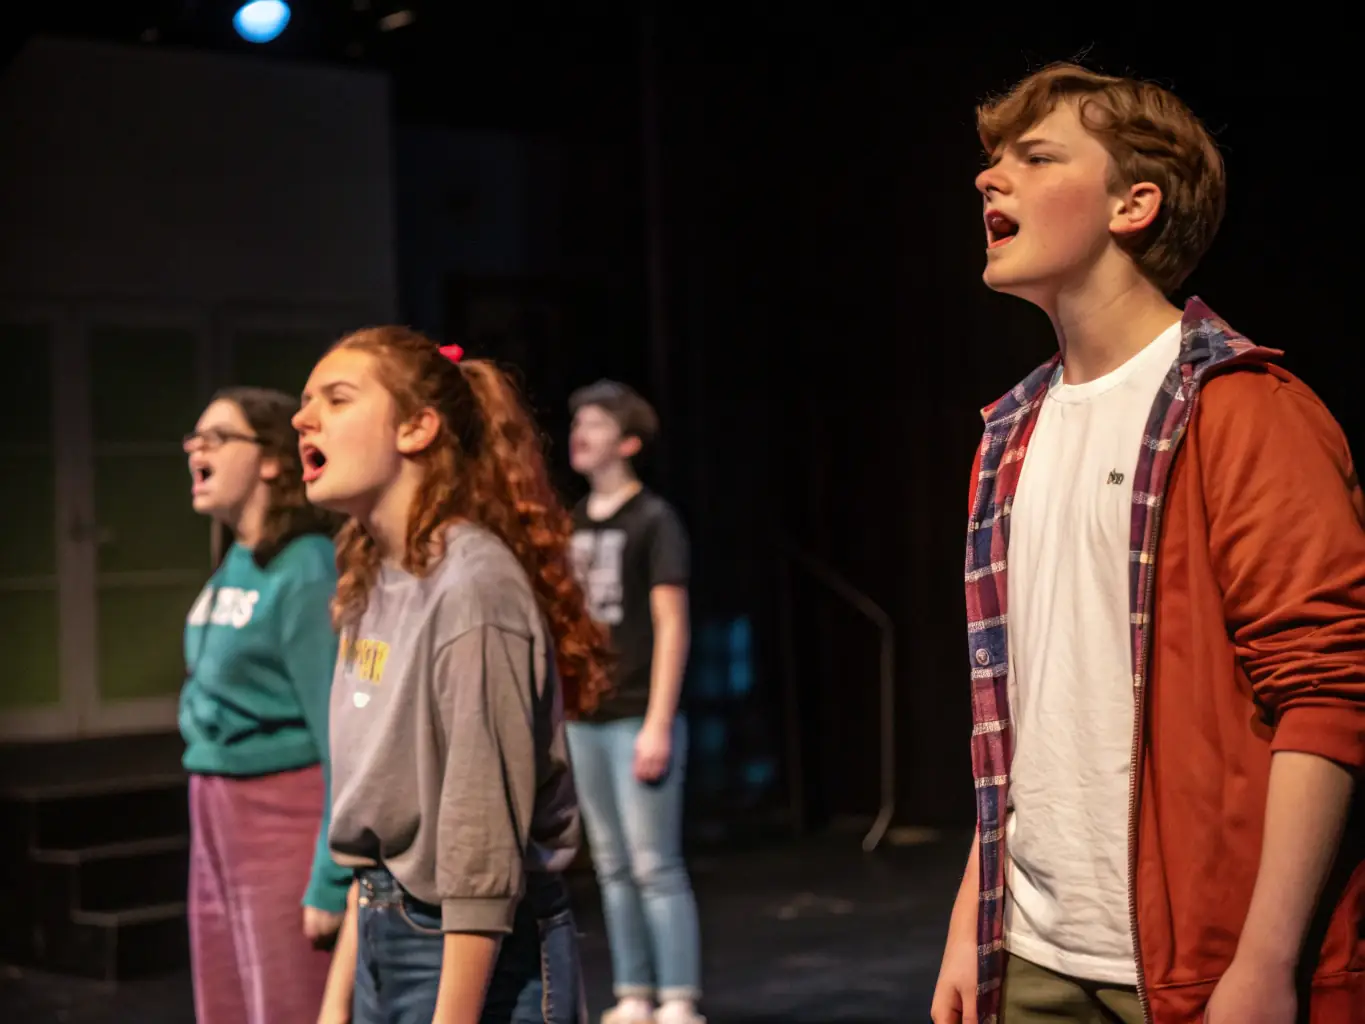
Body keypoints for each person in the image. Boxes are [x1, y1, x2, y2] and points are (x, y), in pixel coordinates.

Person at [930, 63, 1365, 1024]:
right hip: (1034, 951)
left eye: (1034, 157)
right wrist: (973, 918)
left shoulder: (1243, 412)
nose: (986, 179)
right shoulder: (1009, 434)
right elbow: (1023, 711)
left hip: (1195, 965)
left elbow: (1326, 694)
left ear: (1134, 204)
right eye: (991, 159)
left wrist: (1263, 963)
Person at [295, 328, 610, 1024]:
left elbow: (478, 846)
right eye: (305, 400)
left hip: (468, 953)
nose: (303, 419)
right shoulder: (369, 581)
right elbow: (374, 827)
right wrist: (336, 1001)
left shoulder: (471, 586)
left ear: (416, 427)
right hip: (387, 929)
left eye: (336, 398)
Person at [181, 386, 352, 1024]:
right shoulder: (238, 561)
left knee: (285, 1002)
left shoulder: (307, 568)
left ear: (273, 460)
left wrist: (330, 877)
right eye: (194, 438)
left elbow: (340, 733)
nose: (197, 448)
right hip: (216, 810)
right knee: (225, 1000)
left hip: (281, 810)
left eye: (218, 437)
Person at [565, 381, 704, 1024]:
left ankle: (678, 995)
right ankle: (634, 993)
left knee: (655, 863)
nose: (579, 434)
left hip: (636, 714)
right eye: (578, 424)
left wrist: (657, 721)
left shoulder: (654, 520)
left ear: (627, 442)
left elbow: (671, 623)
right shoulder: (568, 524)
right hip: (585, 716)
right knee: (612, 866)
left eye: (594, 425)